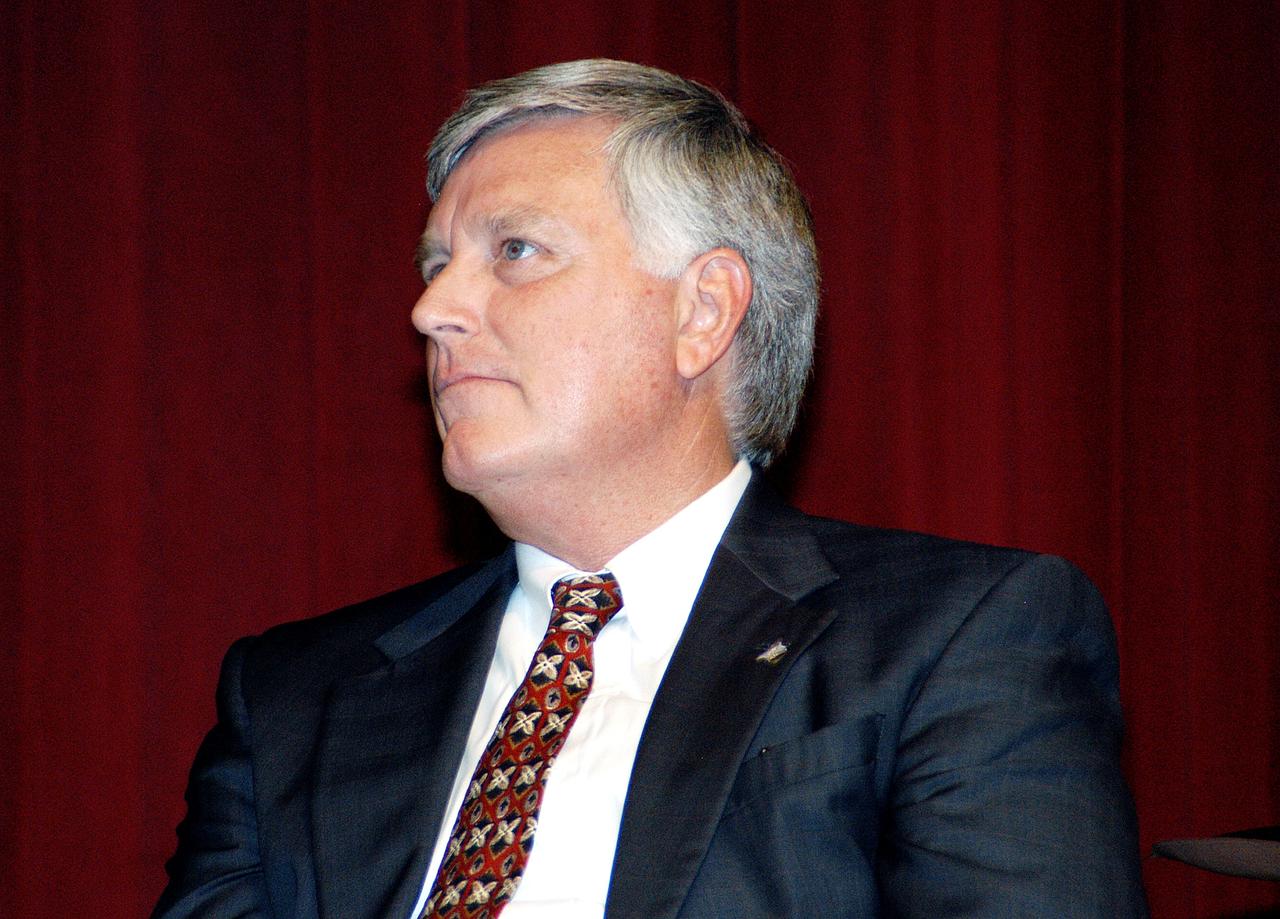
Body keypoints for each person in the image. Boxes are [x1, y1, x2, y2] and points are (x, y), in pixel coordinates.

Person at [154, 59, 1148, 919]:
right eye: (435, 264)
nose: (432, 309)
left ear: (702, 312)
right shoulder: (295, 695)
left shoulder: (953, 638)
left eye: (515, 252)